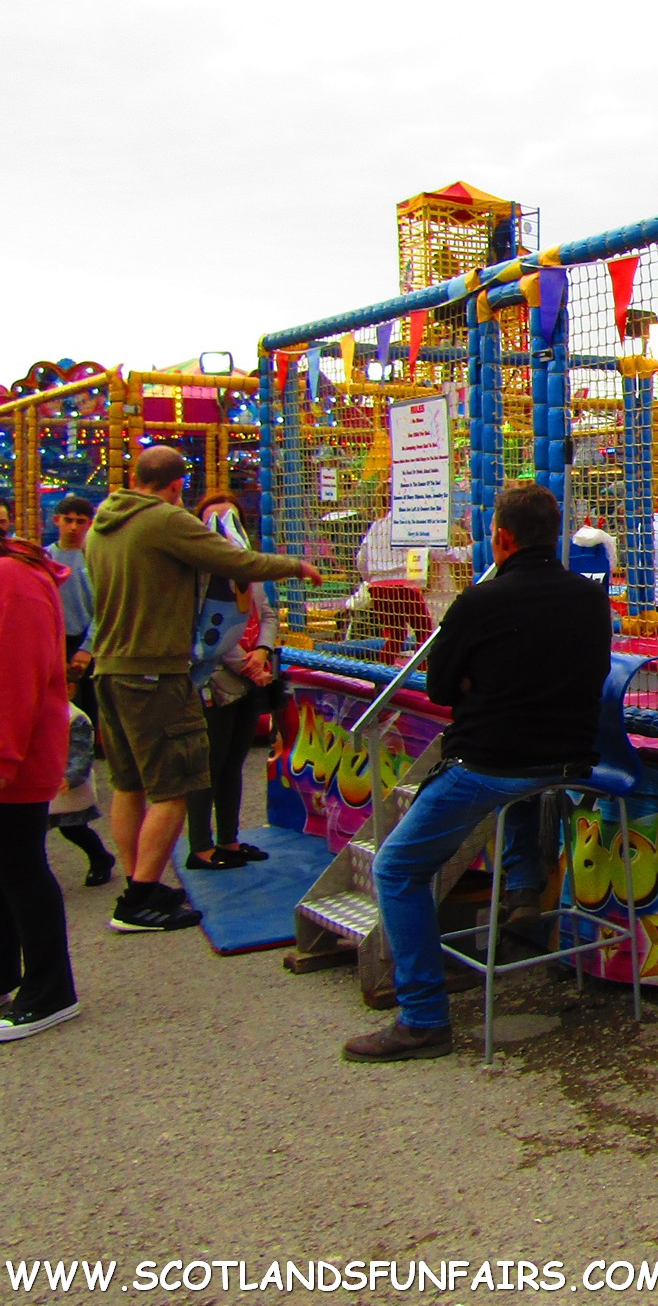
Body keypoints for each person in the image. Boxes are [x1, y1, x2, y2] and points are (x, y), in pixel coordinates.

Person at [344, 481, 612, 1062]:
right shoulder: (588, 598)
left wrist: (484, 684)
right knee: (517, 789)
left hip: (493, 763)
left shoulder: (479, 603)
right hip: (567, 759)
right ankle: (520, 888)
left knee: (395, 868)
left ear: (501, 538)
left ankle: (421, 1015)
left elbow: (441, 688)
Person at [85, 446, 318, 933]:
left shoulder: (104, 524)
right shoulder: (165, 521)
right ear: (176, 487)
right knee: (177, 783)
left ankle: (136, 881)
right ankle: (140, 899)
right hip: (155, 672)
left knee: (128, 784)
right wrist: (294, 567)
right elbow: (235, 561)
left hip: (110, 668)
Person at [0, 536, 81, 1039]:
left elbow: (15, 679)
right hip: (15, 750)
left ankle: (50, 990)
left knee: (20, 867)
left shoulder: (13, 580)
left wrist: (4, 757)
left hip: (17, 755)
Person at [186, 490, 280, 870]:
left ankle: (229, 837)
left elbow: (269, 615)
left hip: (247, 680)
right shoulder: (200, 576)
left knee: (233, 764)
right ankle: (200, 845)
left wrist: (262, 652)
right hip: (215, 680)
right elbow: (207, 632)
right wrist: (247, 663)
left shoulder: (249, 571)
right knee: (209, 764)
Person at [45, 495, 97, 732]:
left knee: (90, 707)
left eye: (80, 521)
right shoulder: (44, 559)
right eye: (68, 520)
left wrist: (87, 647)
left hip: (88, 640)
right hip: (52, 640)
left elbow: (103, 608)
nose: (74, 527)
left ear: (89, 523)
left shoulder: (95, 559)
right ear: (57, 520)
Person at [48, 703, 115, 886]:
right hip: (39, 783)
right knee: (29, 834)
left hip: (65, 787)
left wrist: (71, 777)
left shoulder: (75, 718)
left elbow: (81, 752)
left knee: (74, 829)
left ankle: (100, 857)